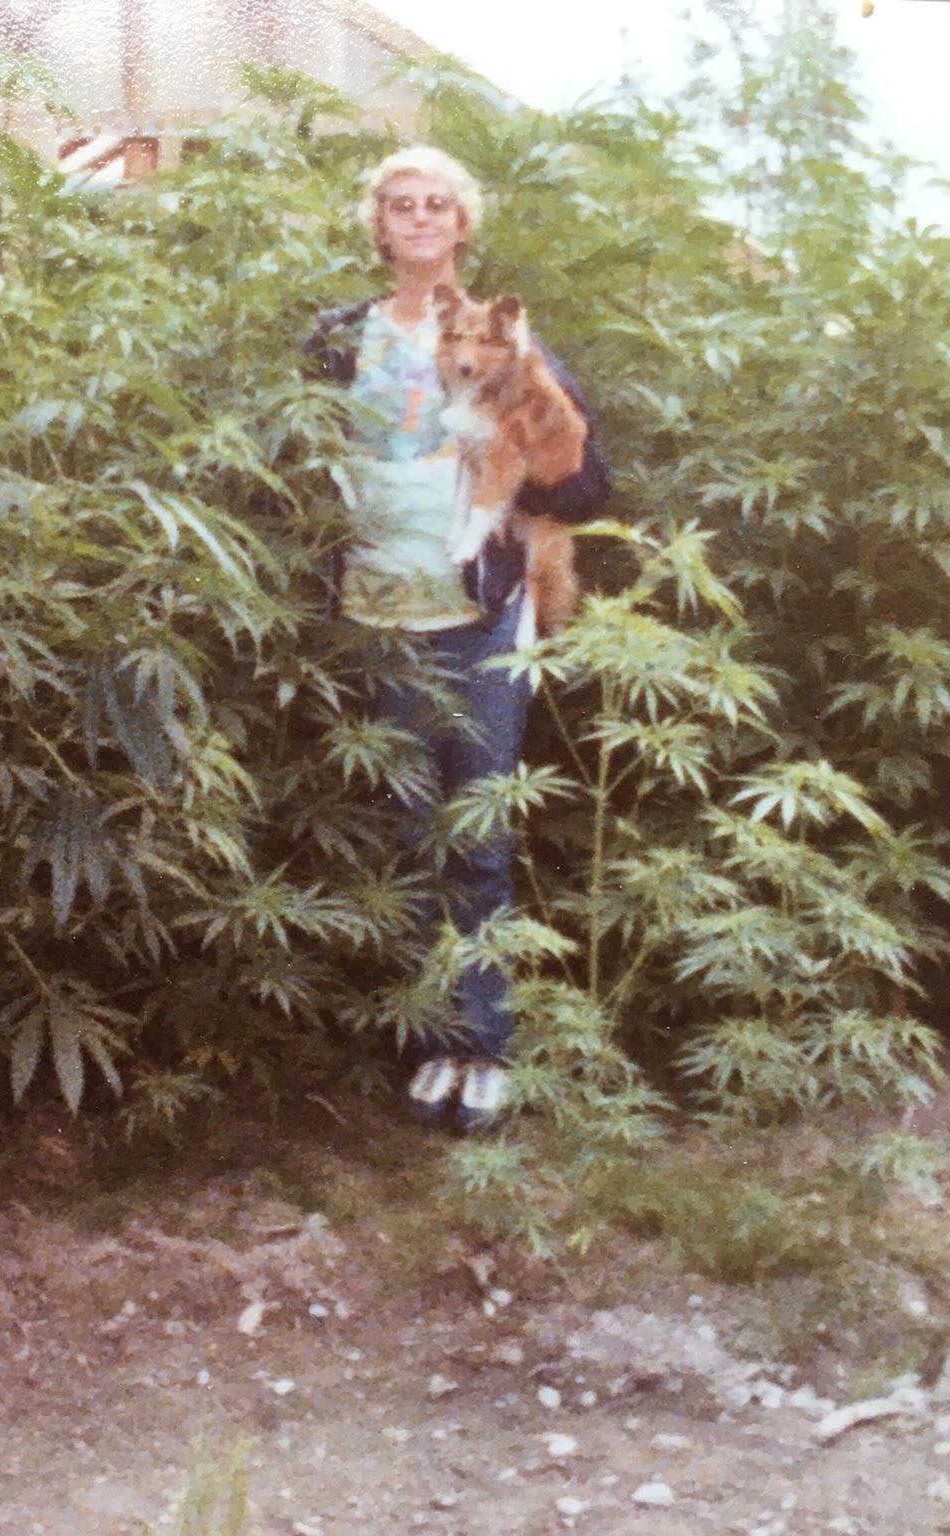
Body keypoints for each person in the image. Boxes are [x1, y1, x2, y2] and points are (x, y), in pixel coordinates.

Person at [301, 145, 612, 1131]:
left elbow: (585, 482)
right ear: (378, 224)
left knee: (474, 837)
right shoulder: (337, 338)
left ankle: (482, 1045)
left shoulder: (505, 340)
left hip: (478, 622)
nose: (421, 218)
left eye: (438, 204)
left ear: (462, 223)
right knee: (403, 838)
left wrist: (530, 463)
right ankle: (430, 1039)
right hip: (376, 616)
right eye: (402, 204)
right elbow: (300, 459)